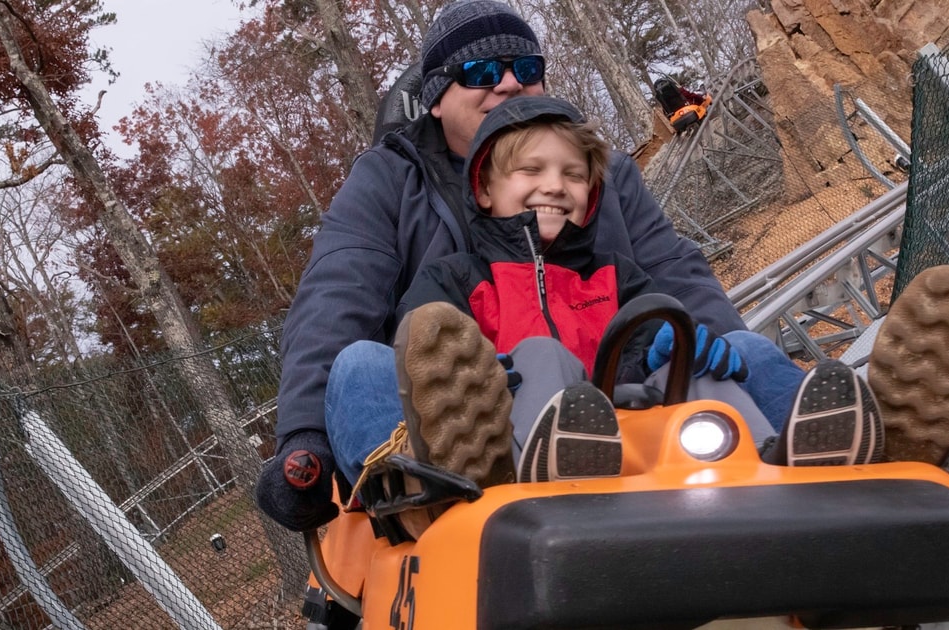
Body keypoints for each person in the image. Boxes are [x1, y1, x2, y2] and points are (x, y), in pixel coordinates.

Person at [257, 0, 771, 534]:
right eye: (480, 72)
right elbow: (336, 296)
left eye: (525, 70)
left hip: (616, 395)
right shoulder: (390, 181)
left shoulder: (605, 174)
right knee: (362, 364)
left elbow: (674, 270)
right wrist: (303, 435)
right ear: (435, 99)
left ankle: (816, 453)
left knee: (742, 351)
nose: (506, 84)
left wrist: (716, 348)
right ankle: (424, 489)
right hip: (482, 409)